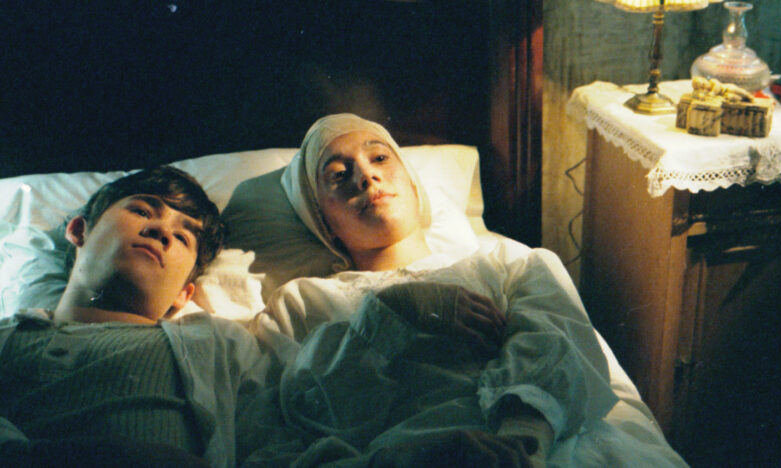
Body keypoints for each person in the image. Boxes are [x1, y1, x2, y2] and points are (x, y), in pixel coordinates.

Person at [248, 114, 675, 467]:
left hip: (547, 445)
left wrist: (523, 438)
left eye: (379, 157)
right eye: (339, 175)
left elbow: (556, 339)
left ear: (412, 183)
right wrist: (388, 313)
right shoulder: (302, 301)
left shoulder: (507, 261)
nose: (366, 175)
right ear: (322, 221)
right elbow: (307, 416)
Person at [0, 167, 275, 467]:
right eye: (142, 211)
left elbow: (279, 440)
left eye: (182, 237)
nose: (162, 231)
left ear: (183, 294)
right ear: (79, 230)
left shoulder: (219, 345)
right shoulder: (6, 336)